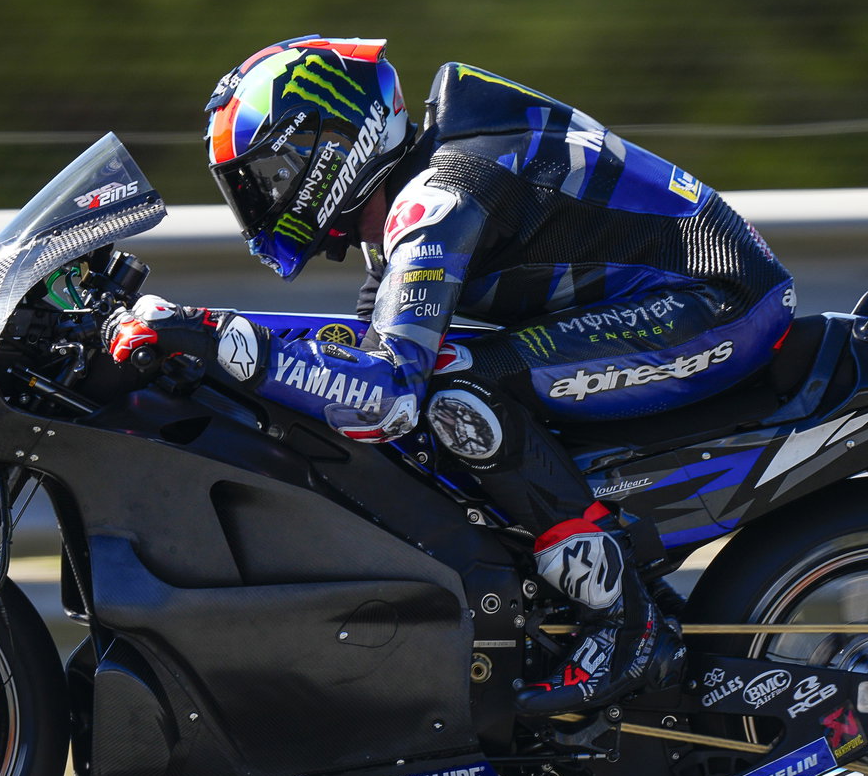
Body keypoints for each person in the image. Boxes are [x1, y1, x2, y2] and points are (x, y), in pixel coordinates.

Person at [105, 36, 795, 716]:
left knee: (456, 390)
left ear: (329, 146)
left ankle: (623, 622)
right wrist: (201, 340)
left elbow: (386, 397)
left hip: (719, 307)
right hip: (680, 301)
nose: (260, 198)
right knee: (436, 382)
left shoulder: (438, 198)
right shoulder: (410, 194)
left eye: (268, 175)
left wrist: (217, 338)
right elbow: (352, 357)